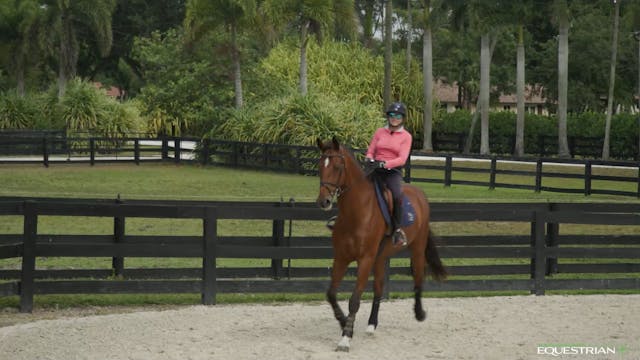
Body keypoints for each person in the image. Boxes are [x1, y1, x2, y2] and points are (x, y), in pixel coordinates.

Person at [365, 102, 413, 246]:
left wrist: (386, 164)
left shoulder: (406, 136)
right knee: (354, 187)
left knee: (397, 195)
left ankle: (397, 229)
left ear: (402, 118)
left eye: (398, 116)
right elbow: (371, 149)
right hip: (375, 169)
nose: (394, 118)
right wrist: (368, 157)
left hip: (392, 171)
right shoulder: (380, 132)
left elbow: (402, 158)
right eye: (392, 115)